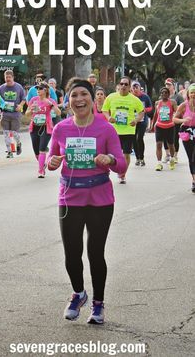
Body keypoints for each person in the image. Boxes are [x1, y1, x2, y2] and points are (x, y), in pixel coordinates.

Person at [47, 79, 126, 324]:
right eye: (74, 95)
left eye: (84, 94)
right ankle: (79, 293)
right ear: (68, 101)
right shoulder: (61, 128)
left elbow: (121, 164)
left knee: (95, 252)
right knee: (72, 253)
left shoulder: (106, 129)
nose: (79, 99)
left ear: (93, 99)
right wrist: (52, 162)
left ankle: (98, 304)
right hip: (70, 197)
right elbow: (51, 157)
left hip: (100, 198)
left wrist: (109, 158)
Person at [102, 77, 144, 184]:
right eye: (122, 84)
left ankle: (122, 174)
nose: (123, 86)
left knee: (126, 154)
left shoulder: (134, 99)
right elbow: (105, 110)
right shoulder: (111, 97)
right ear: (119, 85)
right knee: (112, 154)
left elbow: (141, 112)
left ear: (129, 87)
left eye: (126, 84)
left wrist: (136, 120)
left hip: (128, 131)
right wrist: (108, 118)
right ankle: (111, 170)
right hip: (114, 131)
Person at [26, 82, 61, 178]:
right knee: (36, 151)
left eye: (40, 89)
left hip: (46, 127)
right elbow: (27, 114)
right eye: (37, 89)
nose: (38, 91)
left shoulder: (50, 100)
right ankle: (42, 163)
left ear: (45, 90)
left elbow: (58, 112)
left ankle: (41, 171)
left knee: (42, 149)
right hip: (35, 126)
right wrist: (31, 110)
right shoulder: (33, 100)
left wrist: (51, 105)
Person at [0, 70, 26, 158]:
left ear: (13, 77)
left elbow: (24, 99)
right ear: (4, 78)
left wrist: (20, 105)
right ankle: (9, 152)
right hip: (5, 114)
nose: (8, 79)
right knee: (6, 133)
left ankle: (18, 143)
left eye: (9, 77)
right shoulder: (1, 88)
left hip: (15, 114)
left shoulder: (18, 87)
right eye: (6, 77)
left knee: (14, 133)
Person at [174, 84, 195, 193]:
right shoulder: (183, 105)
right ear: (188, 94)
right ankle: (193, 180)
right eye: (192, 92)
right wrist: (183, 120)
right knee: (191, 157)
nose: (193, 94)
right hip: (187, 132)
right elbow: (174, 119)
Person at [151, 87, 177, 171]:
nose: (164, 94)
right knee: (158, 144)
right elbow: (155, 115)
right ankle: (159, 163)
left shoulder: (172, 102)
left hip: (170, 126)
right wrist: (152, 125)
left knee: (171, 145)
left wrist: (177, 120)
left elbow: (177, 112)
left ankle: (172, 159)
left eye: (166, 93)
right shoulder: (157, 103)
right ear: (160, 94)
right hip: (159, 126)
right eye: (162, 93)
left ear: (168, 94)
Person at [131, 81, 153, 166]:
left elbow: (150, 108)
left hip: (143, 120)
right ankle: (137, 158)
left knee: (139, 138)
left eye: (137, 87)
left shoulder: (145, 97)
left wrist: (144, 110)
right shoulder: (130, 97)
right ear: (131, 89)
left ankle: (142, 158)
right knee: (134, 139)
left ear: (140, 88)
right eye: (134, 88)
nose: (135, 89)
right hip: (133, 121)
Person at [163, 78, 184, 163]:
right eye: (166, 85)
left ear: (173, 86)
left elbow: (182, 108)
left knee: (175, 139)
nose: (167, 86)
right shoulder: (163, 95)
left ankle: (175, 155)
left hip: (175, 121)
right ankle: (167, 154)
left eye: (169, 85)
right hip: (164, 120)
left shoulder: (178, 97)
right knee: (165, 138)